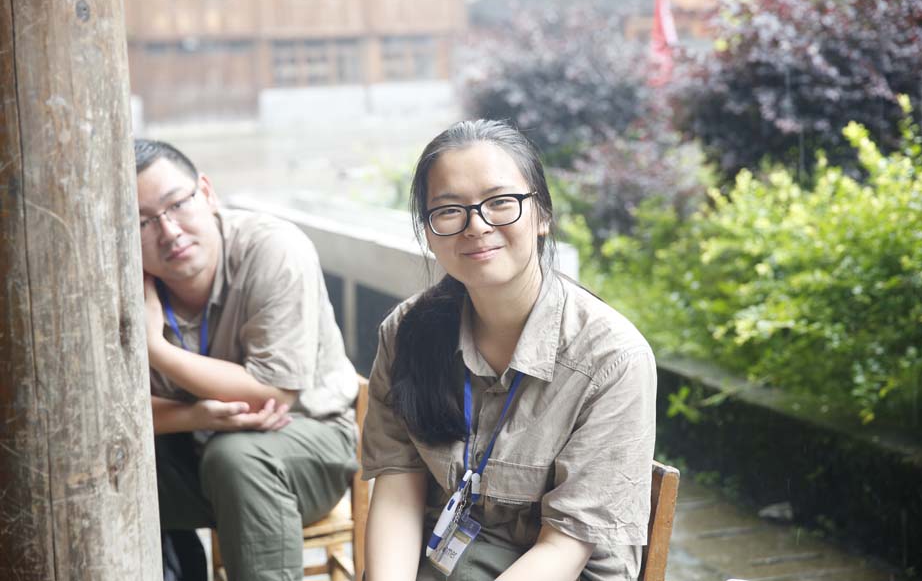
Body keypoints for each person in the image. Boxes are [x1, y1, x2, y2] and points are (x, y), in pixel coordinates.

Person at [361, 120, 657, 580]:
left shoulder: (611, 359)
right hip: (445, 558)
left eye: (500, 202)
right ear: (429, 231)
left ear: (542, 215)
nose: (476, 225)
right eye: (449, 210)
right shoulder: (405, 333)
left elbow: (565, 547)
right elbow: (398, 491)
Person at [135, 139, 359, 581]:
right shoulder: (121, 278)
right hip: (190, 446)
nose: (169, 232)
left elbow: (271, 394)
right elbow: (111, 417)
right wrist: (195, 416)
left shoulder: (273, 249)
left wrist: (155, 348)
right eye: (142, 221)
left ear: (206, 192)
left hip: (304, 443)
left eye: (177, 204)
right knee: (106, 460)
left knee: (236, 457)